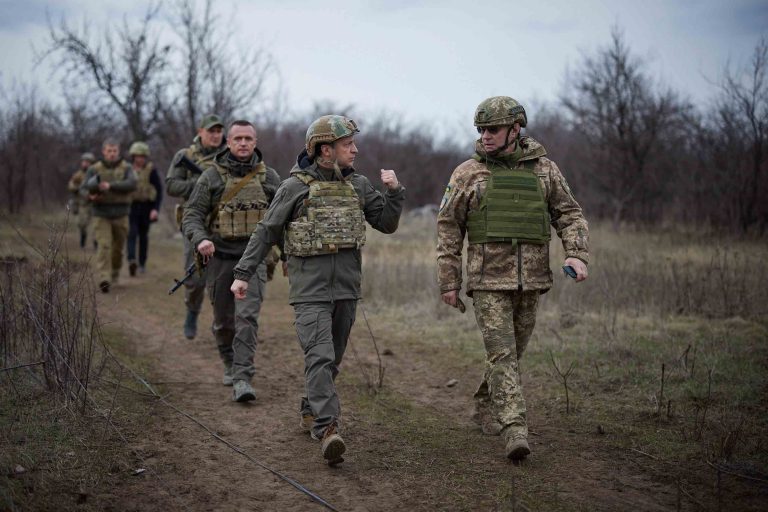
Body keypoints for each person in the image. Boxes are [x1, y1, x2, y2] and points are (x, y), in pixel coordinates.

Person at [230, 115, 405, 465]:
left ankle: (311, 407)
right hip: (309, 291)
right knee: (320, 356)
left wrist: (394, 193)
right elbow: (266, 231)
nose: (354, 150)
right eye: (346, 145)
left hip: (346, 290)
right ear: (326, 149)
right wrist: (243, 273)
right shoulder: (294, 187)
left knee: (332, 359)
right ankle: (328, 428)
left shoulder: (358, 185)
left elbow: (385, 223)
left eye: (353, 144)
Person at [436, 96, 590, 461]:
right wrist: (449, 281)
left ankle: (486, 402)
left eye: (493, 129)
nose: (485, 136)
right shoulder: (468, 173)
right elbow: (448, 229)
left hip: (532, 280)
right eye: (481, 130)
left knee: (513, 353)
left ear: (516, 129)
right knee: (502, 354)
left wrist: (576, 253)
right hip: (487, 282)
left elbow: (569, 214)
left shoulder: (545, 170)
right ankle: (515, 429)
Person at [182, 120, 281, 402]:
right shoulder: (211, 177)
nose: (243, 143)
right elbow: (192, 215)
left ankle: (243, 377)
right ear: (228, 142)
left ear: (255, 141)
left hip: (254, 260)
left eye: (248, 138)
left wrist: (286, 255)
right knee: (224, 322)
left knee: (246, 317)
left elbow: (283, 219)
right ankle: (228, 360)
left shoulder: (268, 177)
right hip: (220, 258)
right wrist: (201, 239)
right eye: (237, 138)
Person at [167, 114, 226, 339]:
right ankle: (192, 312)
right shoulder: (186, 156)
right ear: (200, 131)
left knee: (221, 276)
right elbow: (171, 185)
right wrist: (199, 184)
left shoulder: (228, 156)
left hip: (222, 224)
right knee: (195, 276)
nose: (215, 135)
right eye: (211, 130)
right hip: (194, 223)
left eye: (219, 131)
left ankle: (220, 322)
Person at [80, 138, 137, 293]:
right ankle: (104, 278)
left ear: (118, 151)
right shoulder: (94, 169)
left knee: (118, 248)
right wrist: (90, 197)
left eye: (114, 151)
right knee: (104, 246)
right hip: (101, 213)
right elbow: (83, 188)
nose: (112, 154)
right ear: (103, 151)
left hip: (121, 213)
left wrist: (110, 186)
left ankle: (114, 272)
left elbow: (132, 184)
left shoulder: (127, 168)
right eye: (109, 151)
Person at [126, 141, 163, 276]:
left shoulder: (151, 170)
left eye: (142, 156)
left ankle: (142, 264)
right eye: (137, 156)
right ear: (133, 156)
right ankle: (131, 260)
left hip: (147, 206)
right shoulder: (128, 169)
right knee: (131, 233)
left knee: (143, 236)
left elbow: (159, 191)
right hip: (131, 207)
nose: (140, 159)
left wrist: (155, 209)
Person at [68, 152, 96, 248]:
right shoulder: (78, 175)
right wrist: (78, 188)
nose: (85, 164)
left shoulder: (95, 173)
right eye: (84, 161)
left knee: (96, 225)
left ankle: (96, 243)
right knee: (81, 224)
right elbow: (71, 185)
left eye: (88, 162)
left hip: (95, 203)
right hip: (83, 203)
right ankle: (83, 238)